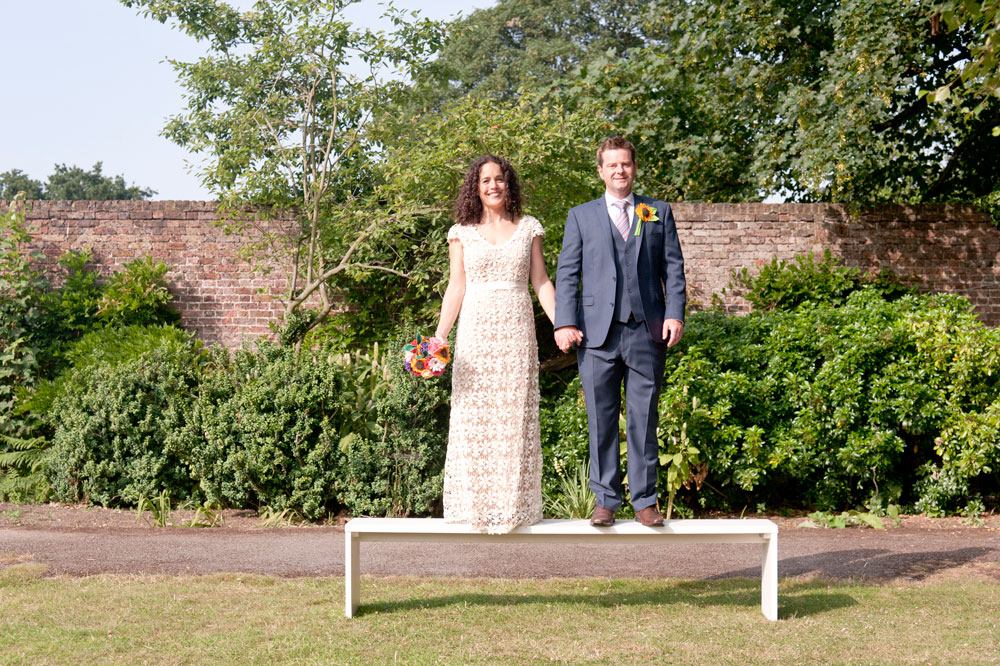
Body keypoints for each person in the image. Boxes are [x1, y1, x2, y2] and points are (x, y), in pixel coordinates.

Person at [553, 136, 686, 527]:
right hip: (596, 335)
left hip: (646, 331)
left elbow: (673, 267)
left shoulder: (656, 211)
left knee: (644, 418)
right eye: (612, 165)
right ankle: (606, 500)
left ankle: (645, 501)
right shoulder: (580, 216)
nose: (619, 171)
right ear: (600, 171)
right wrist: (564, 322)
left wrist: (674, 313)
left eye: (625, 164)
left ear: (634, 167)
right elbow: (568, 272)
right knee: (601, 417)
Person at [434, 155, 557, 534]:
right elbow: (456, 287)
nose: (493, 186)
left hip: (517, 336)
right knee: (476, 420)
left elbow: (541, 282)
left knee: (513, 419)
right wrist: (439, 337)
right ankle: (476, 509)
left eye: (500, 179)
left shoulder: (529, 228)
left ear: (509, 184)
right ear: (476, 186)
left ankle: (511, 510)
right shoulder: (461, 232)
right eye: (485, 180)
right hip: (475, 336)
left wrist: (563, 324)